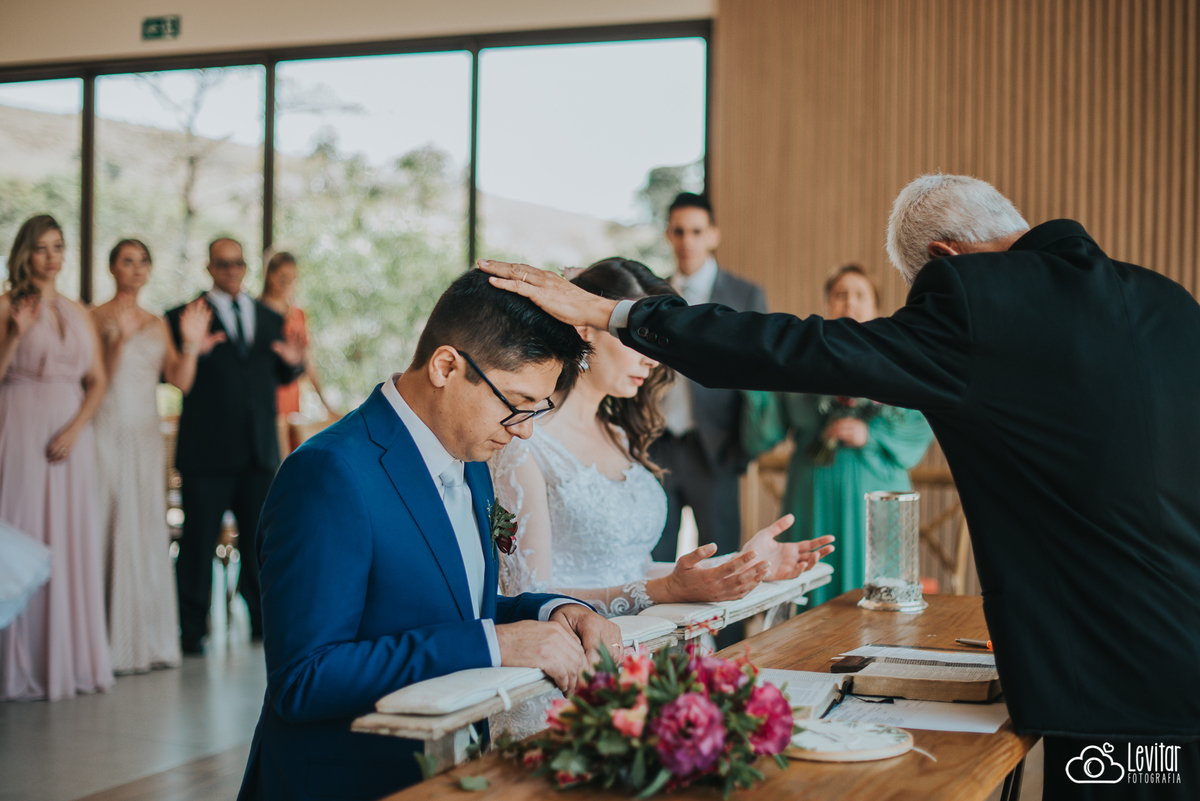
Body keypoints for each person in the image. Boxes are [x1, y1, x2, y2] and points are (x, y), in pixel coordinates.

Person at [480, 172, 1200, 800]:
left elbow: (803, 348)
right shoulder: (1167, 302)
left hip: (1109, 682)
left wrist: (616, 315)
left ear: (945, 260)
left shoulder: (977, 302)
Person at [236, 269, 621, 801]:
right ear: (446, 366)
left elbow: (451, 607)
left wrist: (552, 611)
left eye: (538, 408)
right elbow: (304, 678)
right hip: (343, 781)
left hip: (444, 775)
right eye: (515, 402)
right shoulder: (329, 473)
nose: (525, 428)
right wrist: (495, 644)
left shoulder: (473, 455)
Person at [490, 257, 834, 738]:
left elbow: (630, 566)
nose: (651, 359)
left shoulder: (622, 436)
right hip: (571, 681)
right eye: (634, 339)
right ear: (587, 328)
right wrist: (664, 592)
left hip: (649, 666)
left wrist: (739, 565)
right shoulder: (527, 442)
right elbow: (527, 597)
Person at [741, 264, 933, 606]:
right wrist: (755, 381)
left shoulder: (897, 360)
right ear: (827, 303)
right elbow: (766, 433)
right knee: (813, 582)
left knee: (876, 588)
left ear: (876, 306)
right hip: (813, 490)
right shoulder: (802, 360)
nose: (849, 303)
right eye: (840, 295)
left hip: (876, 488)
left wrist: (870, 434)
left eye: (860, 295)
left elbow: (918, 423)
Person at [165, 238, 305, 654]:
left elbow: (279, 376)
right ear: (209, 267)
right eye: (223, 264)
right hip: (207, 452)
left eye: (238, 264)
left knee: (263, 542)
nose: (231, 270)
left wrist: (294, 362)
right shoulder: (184, 315)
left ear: (246, 268)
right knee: (197, 542)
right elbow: (174, 374)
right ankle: (191, 630)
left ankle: (264, 623)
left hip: (258, 453)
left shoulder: (267, 316)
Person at [0, 215, 113, 701]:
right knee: (20, 532)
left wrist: (75, 428)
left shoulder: (78, 311)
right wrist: (13, 332)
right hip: (19, 424)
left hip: (71, 434)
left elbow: (99, 380)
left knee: (69, 539)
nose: (52, 256)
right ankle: (14, 664)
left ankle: (67, 660)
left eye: (59, 246)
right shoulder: (6, 305)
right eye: (42, 247)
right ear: (24, 253)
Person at [91, 239, 216, 674]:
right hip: (105, 428)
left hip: (146, 433)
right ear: (112, 267)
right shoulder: (95, 317)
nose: (138, 268)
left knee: (146, 525)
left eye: (144, 261)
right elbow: (94, 382)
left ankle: (147, 641)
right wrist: (117, 342)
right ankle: (101, 641)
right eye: (128, 261)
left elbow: (179, 382)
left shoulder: (157, 322)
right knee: (108, 520)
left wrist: (192, 344)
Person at [652, 193, 768, 563]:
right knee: (652, 563)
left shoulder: (745, 294)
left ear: (713, 235)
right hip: (655, 448)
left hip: (717, 451)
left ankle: (728, 628)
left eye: (697, 231)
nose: (688, 241)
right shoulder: (651, 293)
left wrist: (741, 451)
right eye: (679, 231)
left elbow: (758, 378)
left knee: (724, 566)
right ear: (669, 235)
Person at [258, 251, 335, 457]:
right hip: (264, 402)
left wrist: (324, 402)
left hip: (291, 402)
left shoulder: (297, 314)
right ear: (270, 275)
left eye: (292, 279)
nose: (287, 283)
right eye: (282, 277)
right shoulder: (254, 311)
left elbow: (307, 361)